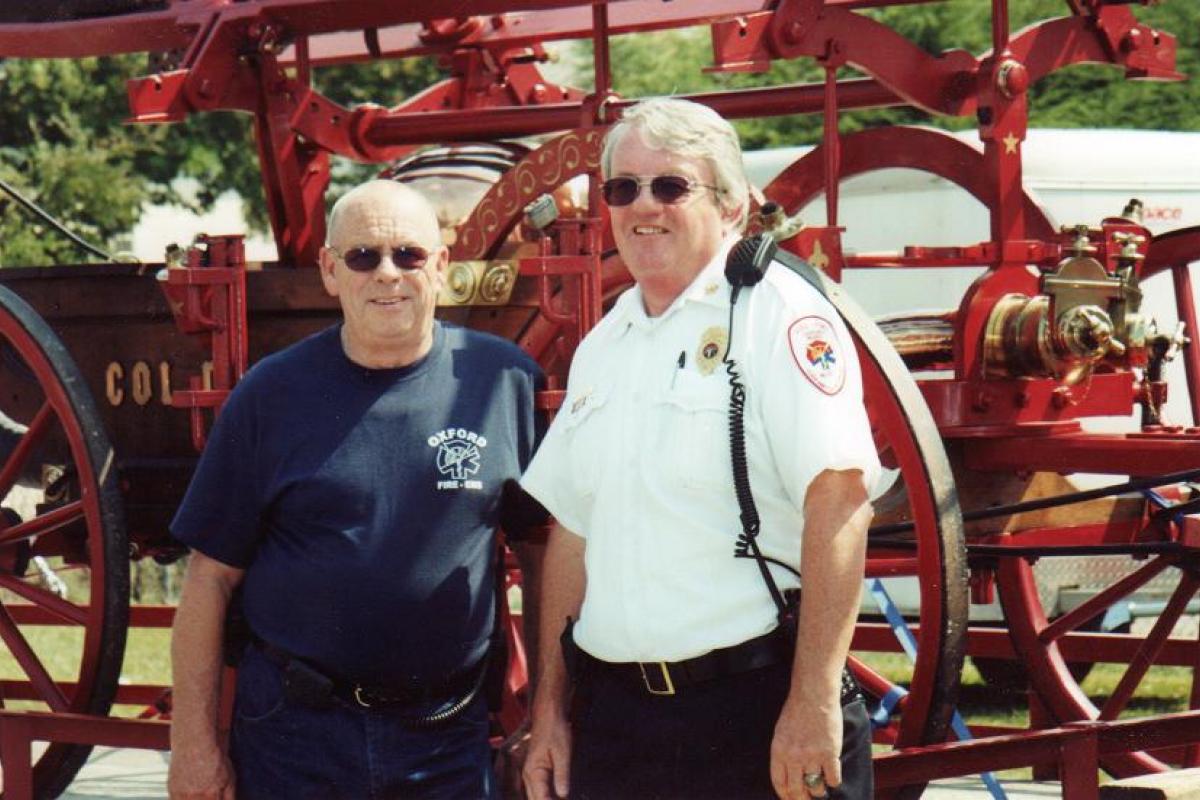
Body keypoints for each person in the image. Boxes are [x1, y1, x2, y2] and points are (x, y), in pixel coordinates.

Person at [520, 98, 880, 800]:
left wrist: (810, 704)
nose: (642, 206)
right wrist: (550, 713)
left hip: (753, 713)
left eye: (670, 186)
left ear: (733, 207)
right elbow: (571, 534)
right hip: (618, 730)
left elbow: (839, 505)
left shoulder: (779, 314)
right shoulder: (604, 346)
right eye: (622, 188)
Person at [167, 180, 546, 800]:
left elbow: (543, 555)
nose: (388, 274)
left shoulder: (504, 383)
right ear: (329, 271)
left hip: (445, 739)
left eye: (410, 255)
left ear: (443, 266)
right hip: (294, 737)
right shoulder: (269, 395)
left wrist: (546, 713)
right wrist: (193, 746)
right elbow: (209, 580)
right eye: (363, 256)